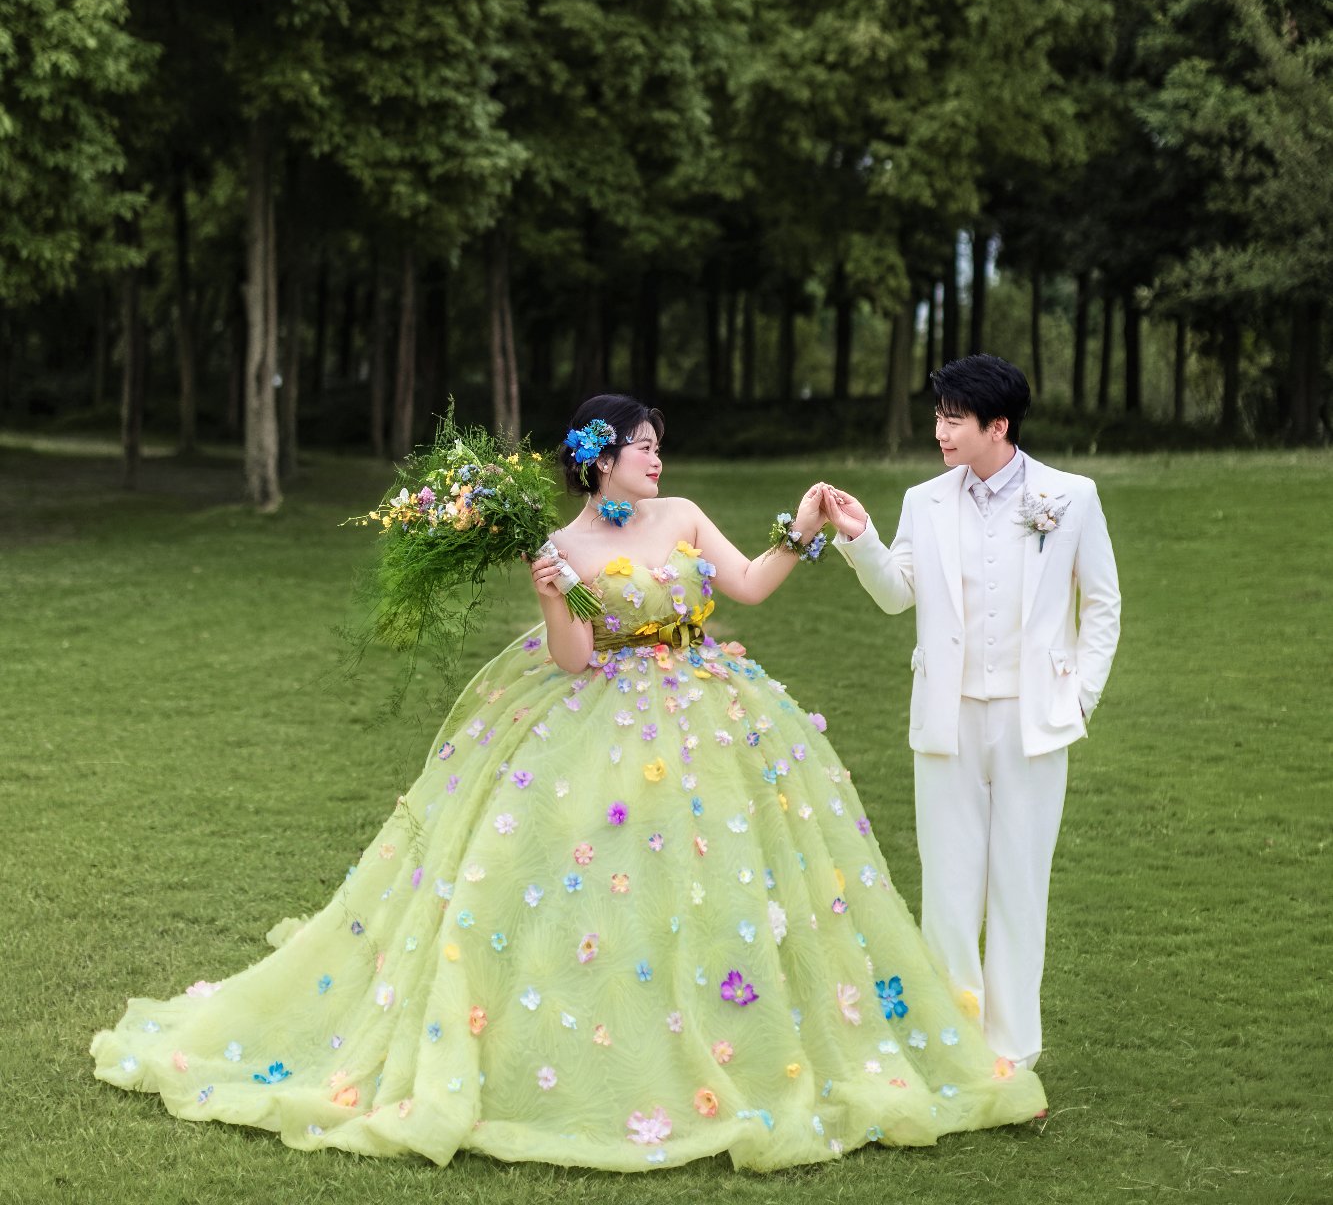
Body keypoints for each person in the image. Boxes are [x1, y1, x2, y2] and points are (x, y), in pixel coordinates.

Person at [92, 392, 1046, 1171]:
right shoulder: (560, 543)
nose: (657, 459)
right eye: (642, 447)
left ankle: (728, 1028)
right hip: (603, 712)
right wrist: (553, 595)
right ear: (598, 459)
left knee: (719, 875)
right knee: (605, 870)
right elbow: (575, 660)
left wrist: (800, 531)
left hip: (710, 703)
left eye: (658, 445)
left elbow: (748, 586)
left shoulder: (682, 514)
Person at [821, 354, 1121, 1072]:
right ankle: (953, 1047)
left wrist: (1078, 695)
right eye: (938, 415)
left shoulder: (1070, 496)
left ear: (998, 425)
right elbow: (897, 594)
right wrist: (860, 538)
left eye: (954, 418)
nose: (940, 430)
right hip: (946, 718)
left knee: (1019, 888)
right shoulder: (923, 501)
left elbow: (1102, 604)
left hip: (1033, 720)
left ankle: (1013, 1052)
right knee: (949, 893)